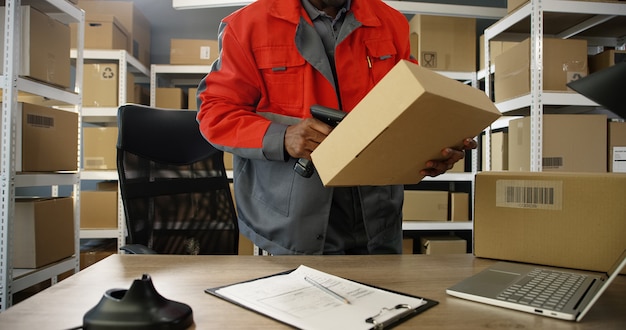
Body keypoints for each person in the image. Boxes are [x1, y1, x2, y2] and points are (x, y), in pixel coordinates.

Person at [196, 0, 477, 255]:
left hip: (377, 218)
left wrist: (432, 147)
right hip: (292, 225)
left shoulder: (390, 23)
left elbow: (413, 102)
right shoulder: (247, 25)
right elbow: (215, 112)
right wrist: (282, 137)